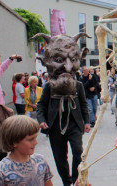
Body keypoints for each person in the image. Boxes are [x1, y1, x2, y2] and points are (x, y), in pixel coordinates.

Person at [34, 32, 91, 186]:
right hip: (55, 127)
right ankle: (66, 181)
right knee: (60, 156)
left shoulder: (78, 85)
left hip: (74, 125)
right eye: (59, 60)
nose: (67, 66)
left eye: (72, 60)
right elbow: (41, 105)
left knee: (78, 151)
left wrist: (87, 121)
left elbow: (84, 104)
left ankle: (75, 179)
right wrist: (42, 121)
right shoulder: (49, 87)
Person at [0, 115, 53, 185]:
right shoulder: (1, 171)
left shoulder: (40, 161)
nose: (36, 142)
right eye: (30, 139)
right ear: (14, 142)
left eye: (36, 137)